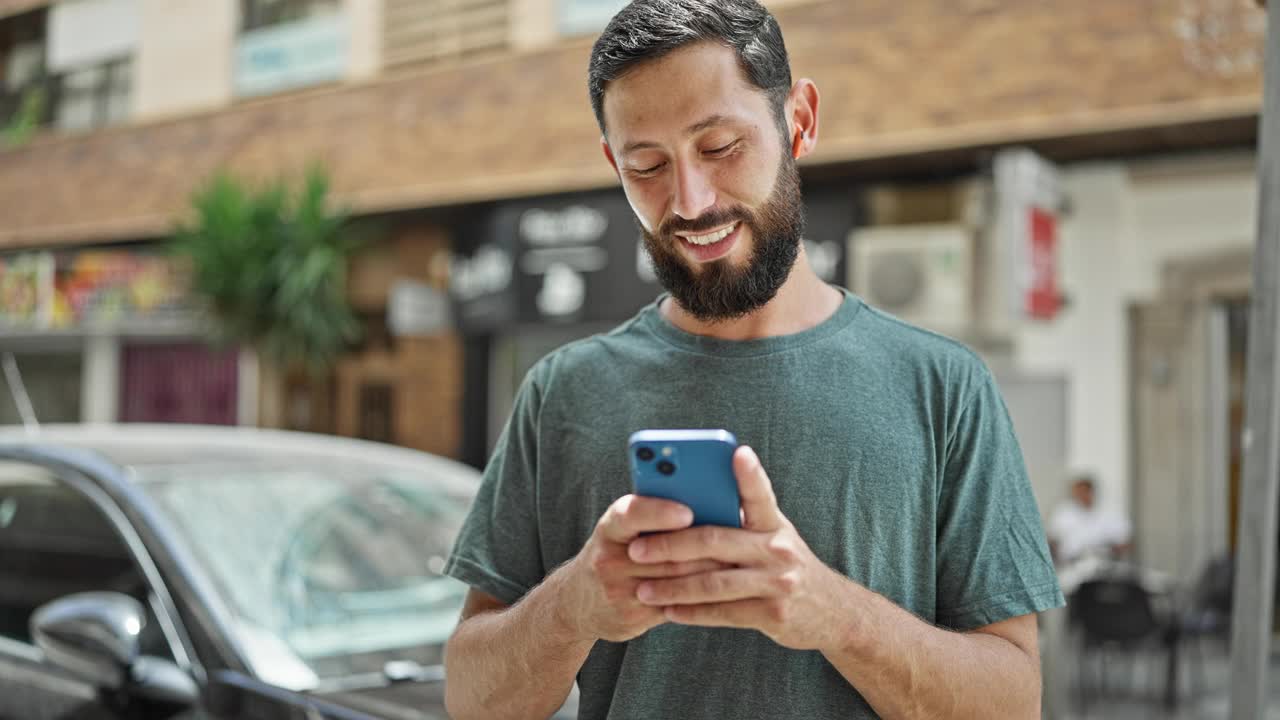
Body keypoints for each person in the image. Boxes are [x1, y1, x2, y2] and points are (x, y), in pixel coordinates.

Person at [441, 2, 1064, 718]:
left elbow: (1013, 704)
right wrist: (578, 603)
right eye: (647, 166)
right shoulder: (562, 392)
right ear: (614, 164)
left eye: (720, 147)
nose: (690, 201)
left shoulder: (943, 387)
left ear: (798, 120)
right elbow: (472, 701)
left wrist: (831, 614)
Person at [1048, 475, 1132, 568]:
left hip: (1105, 565)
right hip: (1072, 565)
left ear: (1091, 492)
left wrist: (1113, 552)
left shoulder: (1110, 512)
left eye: (1084, 491)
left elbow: (1124, 542)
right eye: (1078, 492)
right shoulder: (1063, 513)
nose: (1081, 495)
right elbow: (1052, 540)